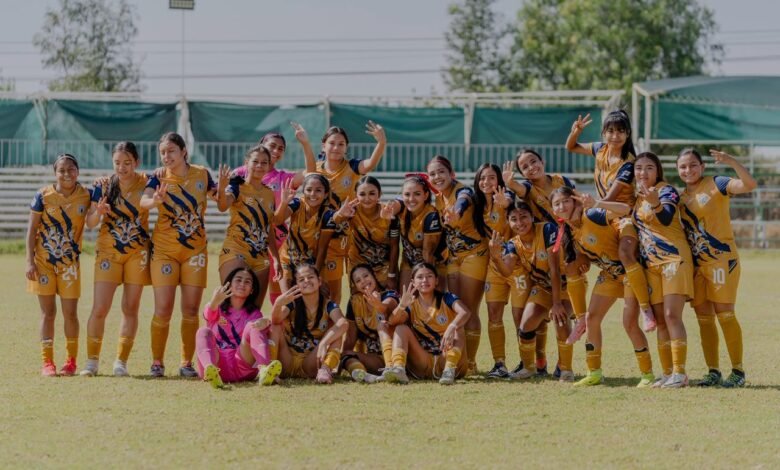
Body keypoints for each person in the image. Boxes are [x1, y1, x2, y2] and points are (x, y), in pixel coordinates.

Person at [549, 187, 656, 387]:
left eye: (566, 201)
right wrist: (583, 263)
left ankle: (647, 374)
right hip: (610, 274)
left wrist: (597, 203)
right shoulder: (568, 232)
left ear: (575, 201)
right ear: (553, 210)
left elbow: (625, 209)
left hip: (630, 273)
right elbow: (584, 258)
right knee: (592, 319)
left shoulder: (591, 214)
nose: (562, 206)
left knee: (629, 323)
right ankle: (594, 371)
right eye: (557, 204)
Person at [565, 111, 655, 333]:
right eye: (611, 131)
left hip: (622, 214)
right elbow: (571, 147)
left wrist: (592, 207)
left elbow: (611, 197)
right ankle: (580, 318)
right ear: (604, 133)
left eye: (620, 131)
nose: (615, 136)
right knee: (572, 261)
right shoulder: (600, 148)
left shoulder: (629, 163)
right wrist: (575, 132)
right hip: (601, 209)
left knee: (625, 253)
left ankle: (646, 308)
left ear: (628, 134)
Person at [677, 148, 757, 388]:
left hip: (722, 261)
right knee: (703, 318)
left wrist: (732, 161)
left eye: (693, 165)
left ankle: (738, 372)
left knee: (725, 314)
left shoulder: (717, 183)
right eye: (683, 167)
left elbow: (750, 185)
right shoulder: (680, 198)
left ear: (702, 167)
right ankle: (713, 372)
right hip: (698, 265)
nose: (688, 170)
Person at [140, 132, 217, 378]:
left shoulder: (202, 174)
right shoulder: (158, 176)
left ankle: (186, 363)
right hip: (164, 251)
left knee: (191, 310)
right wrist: (155, 201)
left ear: (184, 151)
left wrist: (226, 188)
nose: (166, 156)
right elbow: (143, 201)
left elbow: (220, 199)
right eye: (163, 152)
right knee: (163, 309)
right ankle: (157, 362)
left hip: (195, 251)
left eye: (171, 150)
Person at [80, 142, 150, 377]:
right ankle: (91, 362)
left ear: (136, 162)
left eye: (127, 163)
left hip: (137, 252)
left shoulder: (148, 182)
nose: (122, 167)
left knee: (130, 308)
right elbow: (90, 223)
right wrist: (98, 213)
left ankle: (121, 362)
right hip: (108, 252)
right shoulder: (103, 185)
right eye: (117, 163)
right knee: (100, 307)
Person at [489, 201, 576, 382]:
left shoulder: (547, 230)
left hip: (566, 286)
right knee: (526, 323)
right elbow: (507, 270)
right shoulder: (513, 244)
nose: (519, 223)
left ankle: (566, 369)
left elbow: (554, 269)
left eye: (523, 217)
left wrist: (557, 304)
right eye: (514, 219)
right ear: (508, 222)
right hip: (542, 287)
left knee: (560, 320)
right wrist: (496, 258)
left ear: (532, 217)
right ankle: (528, 367)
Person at [232, 124, 315, 304]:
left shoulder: (283, 178)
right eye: (272, 146)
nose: (276, 151)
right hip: (245, 241)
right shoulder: (240, 174)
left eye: (281, 148)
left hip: (277, 242)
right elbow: (223, 196)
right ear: (261, 145)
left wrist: (305, 143)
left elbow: (311, 172)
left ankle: (277, 321)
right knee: (243, 290)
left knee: (277, 291)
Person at [26, 153, 93, 376]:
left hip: (69, 265)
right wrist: (29, 261)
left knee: (70, 314)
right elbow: (32, 230)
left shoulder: (87, 195)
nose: (66, 174)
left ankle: (71, 362)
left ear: (78, 171)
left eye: (71, 169)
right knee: (48, 313)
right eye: (61, 170)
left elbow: (103, 197)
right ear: (55, 173)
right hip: (43, 263)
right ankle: (47, 362)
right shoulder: (43, 196)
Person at [633, 152, 694, 388]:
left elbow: (667, 217)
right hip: (651, 265)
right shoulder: (637, 198)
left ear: (657, 170)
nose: (643, 172)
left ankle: (680, 373)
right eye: (639, 168)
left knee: (671, 315)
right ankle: (667, 373)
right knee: (660, 321)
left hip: (673, 259)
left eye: (649, 167)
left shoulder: (666, 190)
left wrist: (655, 202)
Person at [308, 122, 387, 303]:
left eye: (341, 144)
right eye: (332, 143)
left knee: (353, 289)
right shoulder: (315, 170)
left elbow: (369, 165)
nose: (336, 147)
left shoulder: (352, 166)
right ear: (323, 145)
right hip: (324, 239)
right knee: (328, 292)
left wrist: (381, 142)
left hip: (350, 238)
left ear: (346, 147)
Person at [427, 155, 488, 374]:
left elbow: (464, 200)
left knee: (469, 310)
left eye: (441, 172)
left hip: (475, 255)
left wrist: (457, 212)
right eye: (432, 174)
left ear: (451, 174)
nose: (437, 177)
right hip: (453, 258)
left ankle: (471, 363)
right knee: (456, 310)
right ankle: (460, 360)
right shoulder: (438, 199)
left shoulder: (462, 191)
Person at [382, 262, 470, 385]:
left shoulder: (447, 298)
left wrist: (452, 326)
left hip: (448, 359)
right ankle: (399, 369)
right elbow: (391, 322)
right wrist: (401, 306)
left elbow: (465, 312)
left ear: (436, 280)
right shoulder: (411, 304)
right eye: (420, 277)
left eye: (429, 276)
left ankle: (449, 371)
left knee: (458, 327)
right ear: (413, 282)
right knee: (401, 328)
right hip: (423, 362)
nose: (425, 280)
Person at [216, 145, 282, 306]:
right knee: (232, 304)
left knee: (254, 310)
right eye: (255, 161)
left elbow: (268, 228)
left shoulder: (269, 193)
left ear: (269, 165)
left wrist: (276, 258)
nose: (259, 166)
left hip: (261, 257)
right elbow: (223, 206)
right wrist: (221, 189)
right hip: (236, 250)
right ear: (246, 162)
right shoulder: (236, 186)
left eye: (264, 162)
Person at [195, 267, 282, 389]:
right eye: (238, 280)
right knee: (203, 331)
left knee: (253, 325)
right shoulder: (216, 307)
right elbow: (208, 315)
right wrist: (214, 302)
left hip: (242, 365)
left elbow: (260, 334)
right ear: (229, 285)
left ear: (252, 290)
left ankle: (264, 370)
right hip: (217, 364)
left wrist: (266, 321)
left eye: (247, 282)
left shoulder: (254, 313)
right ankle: (210, 371)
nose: (242, 284)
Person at [268, 264, 348, 383]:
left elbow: (343, 323)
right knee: (275, 327)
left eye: (310, 277)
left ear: (319, 281)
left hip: (310, 363)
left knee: (337, 333)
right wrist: (278, 304)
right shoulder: (292, 303)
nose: (306, 281)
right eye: (301, 279)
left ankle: (325, 370)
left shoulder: (328, 305)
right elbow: (275, 320)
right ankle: (271, 370)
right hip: (286, 360)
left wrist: (324, 343)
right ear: (296, 285)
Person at [473, 163, 516, 378]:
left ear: (499, 180)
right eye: (482, 178)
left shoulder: (506, 197)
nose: (486, 182)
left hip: (517, 264)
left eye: (491, 177)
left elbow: (508, 201)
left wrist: (504, 201)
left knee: (522, 316)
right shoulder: (477, 205)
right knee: (493, 314)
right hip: (494, 265)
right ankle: (500, 364)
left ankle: (535, 363)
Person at [380, 174, 447, 289]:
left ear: (426, 195)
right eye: (407, 194)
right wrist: (390, 211)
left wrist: (426, 279)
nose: (411, 199)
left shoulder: (431, 216)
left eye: (417, 194)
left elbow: (428, 254)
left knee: (430, 296)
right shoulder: (402, 209)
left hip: (434, 264)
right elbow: (395, 204)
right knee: (406, 297)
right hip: (409, 261)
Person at [333, 176, 399, 290]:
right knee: (359, 299)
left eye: (372, 193)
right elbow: (334, 222)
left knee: (385, 299)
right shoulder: (352, 211)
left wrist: (392, 275)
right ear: (356, 195)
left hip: (383, 267)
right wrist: (340, 214)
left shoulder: (388, 212)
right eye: (362, 194)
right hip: (358, 266)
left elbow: (395, 246)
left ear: (379, 194)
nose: (367, 198)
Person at [274, 173, 336, 292]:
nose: (313, 194)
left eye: (318, 190)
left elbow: (322, 248)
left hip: (312, 262)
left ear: (325, 194)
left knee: (319, 296)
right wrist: (284, 203)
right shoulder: (297, 204)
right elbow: (277, 221)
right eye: (309, 190)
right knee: (288, 298)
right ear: (303, 192)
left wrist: (316, 272)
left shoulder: (328, 215)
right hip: (288, 258)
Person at [342, 265, 400, 383]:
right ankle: (363, 375)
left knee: (382, 325)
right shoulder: (354, 302)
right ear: (355, 286)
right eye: (358, 280)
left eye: (366, 276)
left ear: (374, 276)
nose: (363, 281)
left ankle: (391, 369)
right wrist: (342, 359)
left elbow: (387, 307)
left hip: (396, 356)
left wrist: (378, 305)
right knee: (346, 354)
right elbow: (350, 339)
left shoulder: (390, 294)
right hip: (374, 358)